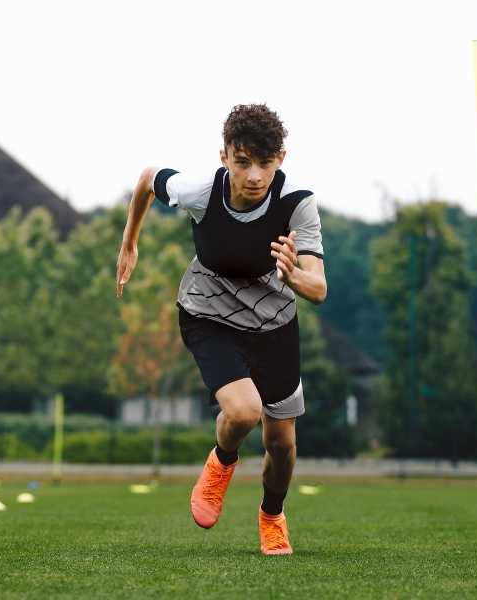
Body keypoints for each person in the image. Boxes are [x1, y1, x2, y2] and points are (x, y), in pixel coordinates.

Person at [115, 104, 326, 555]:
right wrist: (129, 242)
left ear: (281, 159)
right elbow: (147, 178)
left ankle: (272, 515)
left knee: (282, 442)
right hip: (207, 313)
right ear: (224, 156)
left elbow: (319, 287)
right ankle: (221, 463)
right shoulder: (201, 191)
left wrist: (292, 276)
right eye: (243, 161)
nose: (253, 175)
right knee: (245, 411)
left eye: (265, 163)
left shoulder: (296, 204)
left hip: (273, 323)